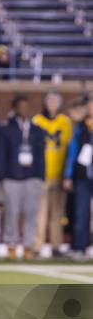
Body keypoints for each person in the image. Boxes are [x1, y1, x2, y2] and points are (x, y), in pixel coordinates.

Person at [0, 95, 46, 260]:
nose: (24, 110)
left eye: (26, 106)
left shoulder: (37, 130)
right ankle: (11, 244)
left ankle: (28, 246)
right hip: (12, 178)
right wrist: (1, 177)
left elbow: (40, 156)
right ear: (15, 109)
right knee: (11, 213)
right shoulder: (5, 129)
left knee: (31, 213)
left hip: (32, 178)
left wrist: (40, 177)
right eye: (20, 107)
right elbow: (1, 155)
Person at [33, 91, 72, 257]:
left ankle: (56, 246)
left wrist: (67, 174)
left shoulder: (65, 122)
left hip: (58, 174)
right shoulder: (37, 121)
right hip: (41, 174)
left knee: (57, 213)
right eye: (50, 101)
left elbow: (70, 149)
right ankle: (37, 246)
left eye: (56, 102)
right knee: (39, 214)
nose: (53, 105)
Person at [63, 97, 92, 260]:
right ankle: (80, 247)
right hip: (82, 177)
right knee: (81, 213)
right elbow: (72, 152)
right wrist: (68, 175)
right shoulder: (80, 128)